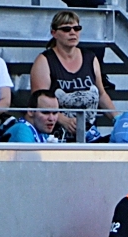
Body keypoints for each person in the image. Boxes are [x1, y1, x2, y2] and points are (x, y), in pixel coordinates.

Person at [29, 11, 116, 143]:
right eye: (66, 29)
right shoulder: (44, 61)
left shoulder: (90, 58)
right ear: (54, 33)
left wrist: (118, 118)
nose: (72, 32)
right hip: (57, 137)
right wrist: (64, 120)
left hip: (90, 134)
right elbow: (39, 104)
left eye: (77, 28)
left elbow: (102, 95)